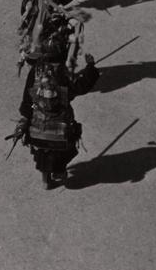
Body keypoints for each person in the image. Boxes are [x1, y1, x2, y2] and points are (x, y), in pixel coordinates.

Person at [12, 43, 99, 189]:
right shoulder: (63, 75)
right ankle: (59, 169)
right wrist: (90, 67)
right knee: (71, 137)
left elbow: (28, 98)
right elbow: (81, 86)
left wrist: (30, 112)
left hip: (37, 123)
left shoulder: (36, 71)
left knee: (39, 146)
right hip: (60, 124)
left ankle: (46, 176)